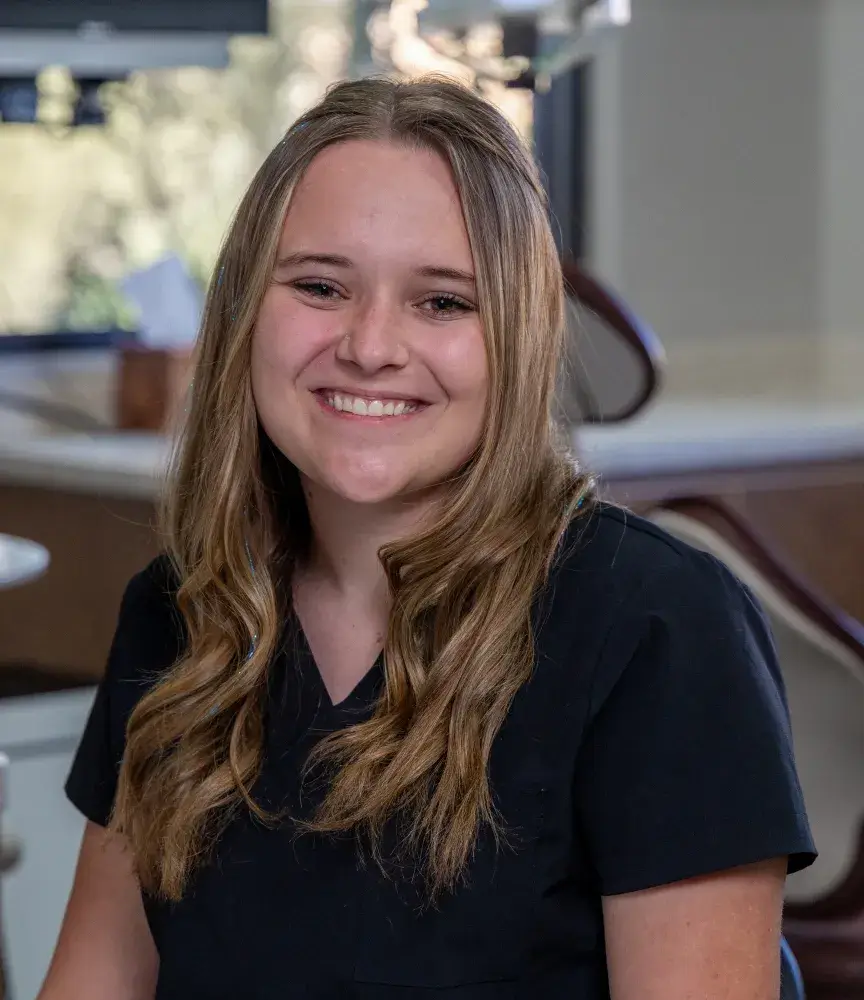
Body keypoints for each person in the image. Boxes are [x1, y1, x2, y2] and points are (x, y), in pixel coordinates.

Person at [39, 76, 815, 1000]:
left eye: (443, 302)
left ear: (519, 336)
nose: (370, 346)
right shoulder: (181, 614)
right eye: (320, 286)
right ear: (245, 312)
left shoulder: (660, 630)